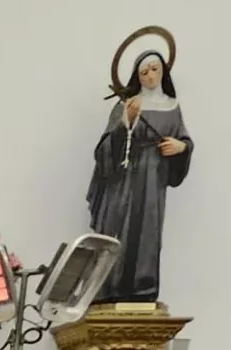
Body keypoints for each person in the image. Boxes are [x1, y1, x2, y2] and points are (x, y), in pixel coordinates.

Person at [88, 48, 193, 304]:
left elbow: (184, 139)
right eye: (143, 72)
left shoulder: (172, 106)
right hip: (124, 180)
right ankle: (109, 288)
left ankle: (143, 289)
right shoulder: (127, 104)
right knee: (118, 228)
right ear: (137, 76)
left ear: (164, 71)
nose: (150, 76)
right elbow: (103, 150)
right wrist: (126, 122)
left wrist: (181, 148)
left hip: (153, 181)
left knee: (148, 232)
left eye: (155, 69)